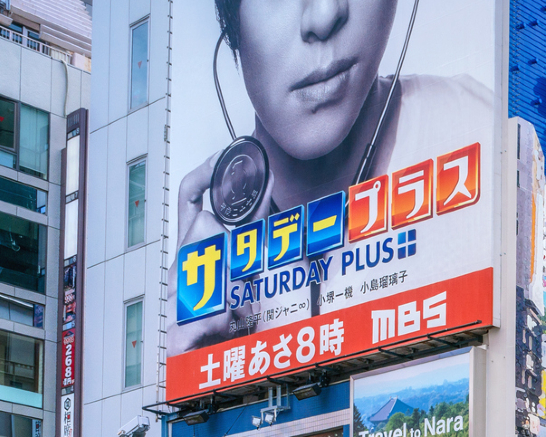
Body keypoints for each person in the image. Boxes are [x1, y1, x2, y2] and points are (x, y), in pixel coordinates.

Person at [171, 0, 493, 355]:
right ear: (232, 23)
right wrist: (196, 381)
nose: (325, 15)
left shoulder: (481, 135)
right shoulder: (213, 256)